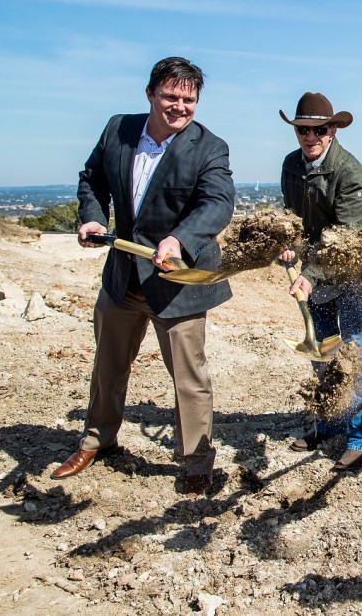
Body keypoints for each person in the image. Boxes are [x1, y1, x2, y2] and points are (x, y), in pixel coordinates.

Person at [51, 56, 235, 498]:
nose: (179, 107)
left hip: (178, 282)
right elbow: (92, 179)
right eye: (170, 96)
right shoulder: (118, 129)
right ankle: (97, 441)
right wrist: (93, 217)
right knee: (108, 365)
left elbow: (217, 202)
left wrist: (179, 240)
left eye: (189, 100)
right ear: (150, 93)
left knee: (189, 378)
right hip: (122, 277)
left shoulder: (210, 147)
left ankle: (196, 464)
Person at [278, 92, 362, 473]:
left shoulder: (350, 172)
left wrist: (309, 274)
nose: (311, 137)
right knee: (323, 348)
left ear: (332, 131)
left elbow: (345, 237)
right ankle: (329, 422)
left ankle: (358, 438)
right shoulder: (291, 165)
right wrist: (288, 243)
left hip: (350, 272)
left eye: (319, 130)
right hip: (314, 272)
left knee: (353, 350)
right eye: (303, 130)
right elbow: (293, 216)